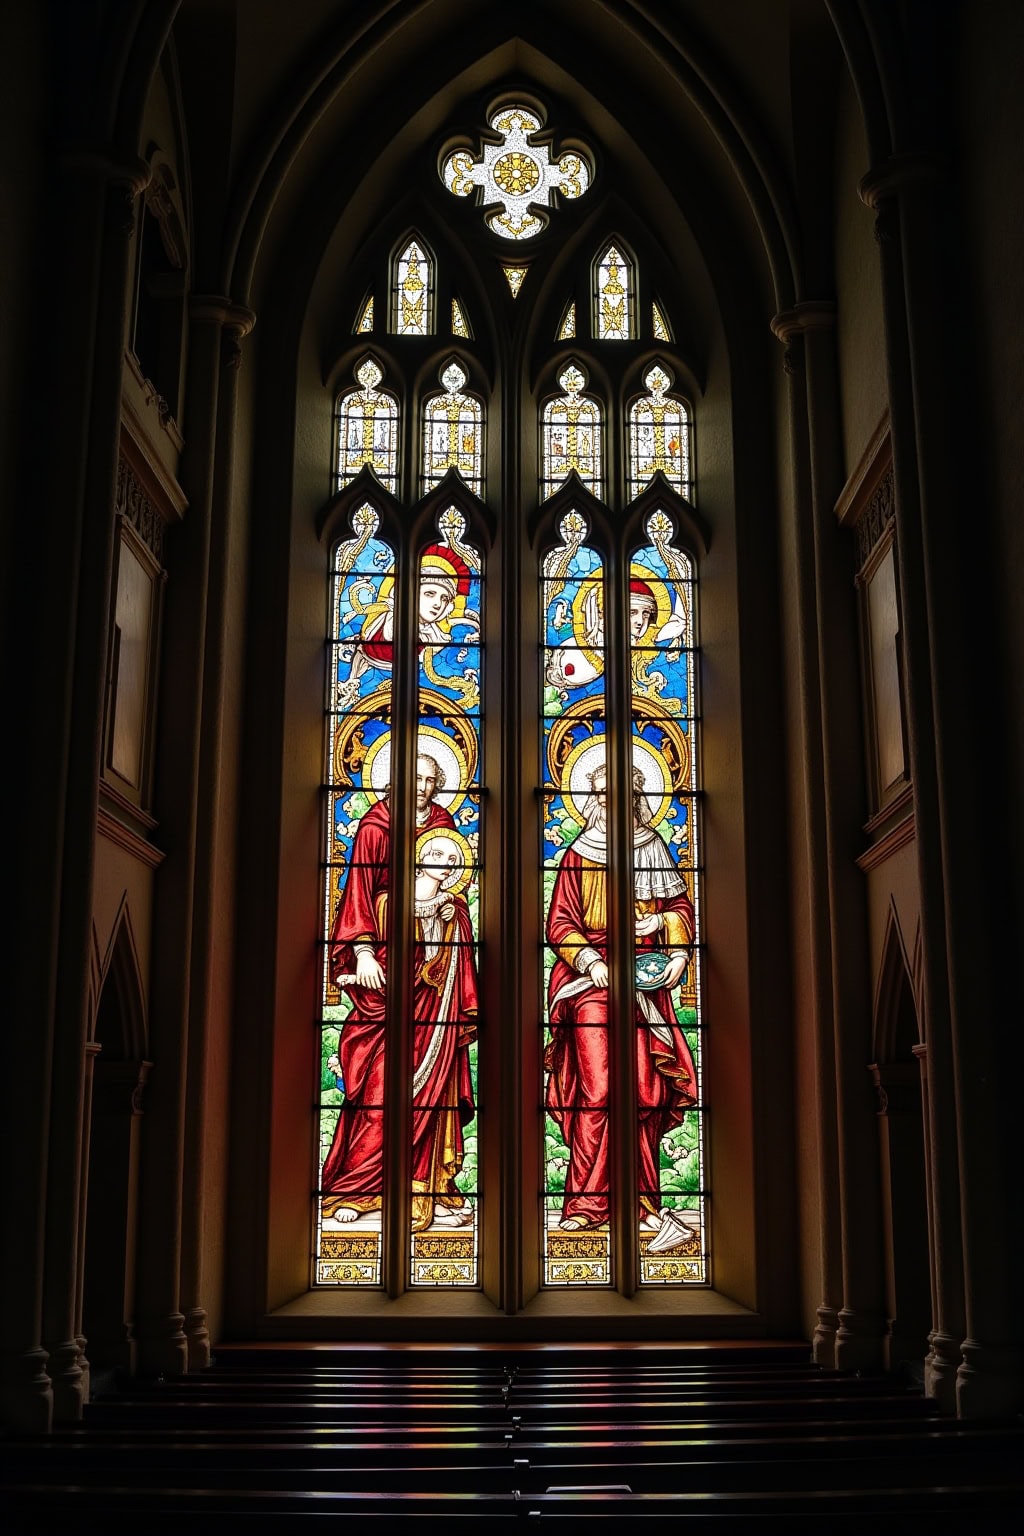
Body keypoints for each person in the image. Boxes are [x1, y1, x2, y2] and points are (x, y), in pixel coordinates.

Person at [321, 755, 477, 1230]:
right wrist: (363, 953)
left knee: (439, 1083)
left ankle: (428, 1187)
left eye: (433, 781)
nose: (425, 788)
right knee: (378, 1086)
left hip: (436, 983)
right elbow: (360, 894)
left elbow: (454, 894)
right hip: (385, 967)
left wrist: (450, 912)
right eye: (417, 778)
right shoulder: (375, 828)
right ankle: (360, 1186)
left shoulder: (443, 825)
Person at [545, 761, 697, 1231]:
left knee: (643, 1091)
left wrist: (675, 950)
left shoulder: (654, 847)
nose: (611, 801)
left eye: (621, 793)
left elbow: (678, 907)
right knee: (599, 1089)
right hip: (589, 984)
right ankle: (587, 1205)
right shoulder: (578, 854)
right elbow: (560, 924)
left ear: (636, 796)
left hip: (645, 985)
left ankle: (643, 1205)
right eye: (602, 793)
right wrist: (592, 961)